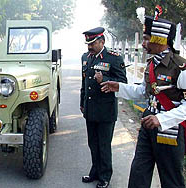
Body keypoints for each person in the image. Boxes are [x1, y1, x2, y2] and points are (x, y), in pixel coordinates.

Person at [101, 6, 186, 188]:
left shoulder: (180, 67)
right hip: (148, 124)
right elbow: (143, 92)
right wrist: (119, 87)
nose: (143, 44)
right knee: (138, 174)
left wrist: (161, 119)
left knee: (171, 179)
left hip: (169, 130)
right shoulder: (151, 64)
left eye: (146, 39)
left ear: (159, 39)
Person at [80, 27, 127, 188]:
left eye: (92, 43)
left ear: (102, 42)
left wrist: (104, 78)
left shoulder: (113, 58)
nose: (89, 47)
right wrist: (82, 102)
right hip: (90, 108)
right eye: (88, 44)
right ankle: (95, 172)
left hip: (106, 110)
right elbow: (84, 83)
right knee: (93, 143)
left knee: (104, 145)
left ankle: (105, 176)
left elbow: (123, 82)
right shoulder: (86, 57)